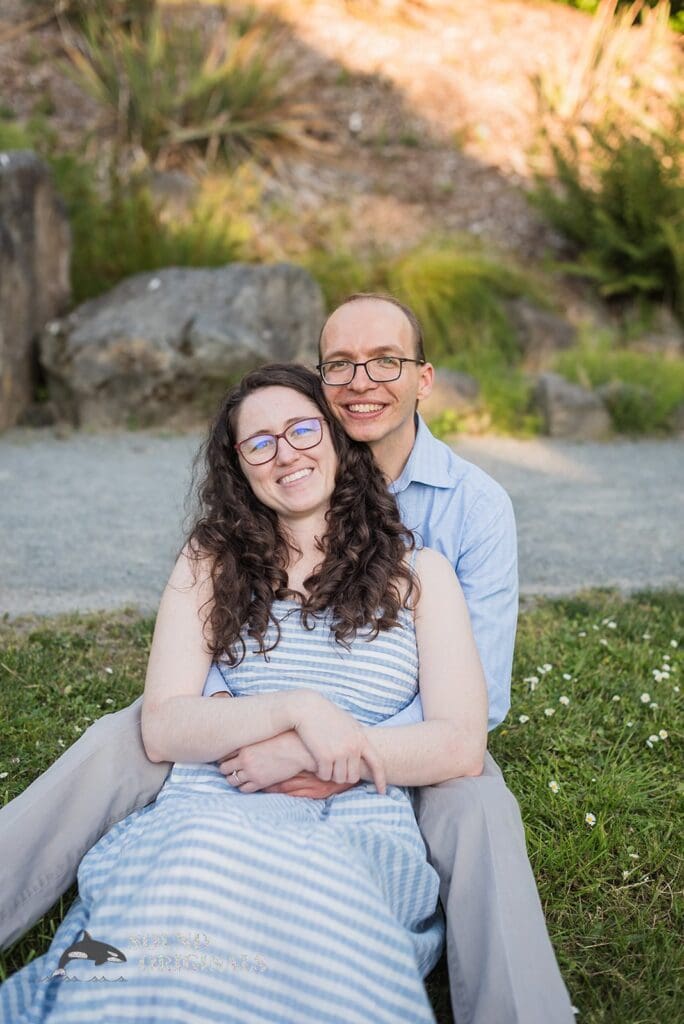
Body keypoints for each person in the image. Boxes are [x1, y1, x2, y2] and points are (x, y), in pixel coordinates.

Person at [1, 293, 575, 1023]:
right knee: (129, 750)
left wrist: (331, 748)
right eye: (340, 366)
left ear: (421, 380)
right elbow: (179, 709)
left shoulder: (466, 518)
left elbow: (467, 721)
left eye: (384, 362)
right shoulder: (220, 550)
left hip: (388, 751)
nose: (362, 380)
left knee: (479, 803)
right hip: (232, 764)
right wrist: (279, 718)